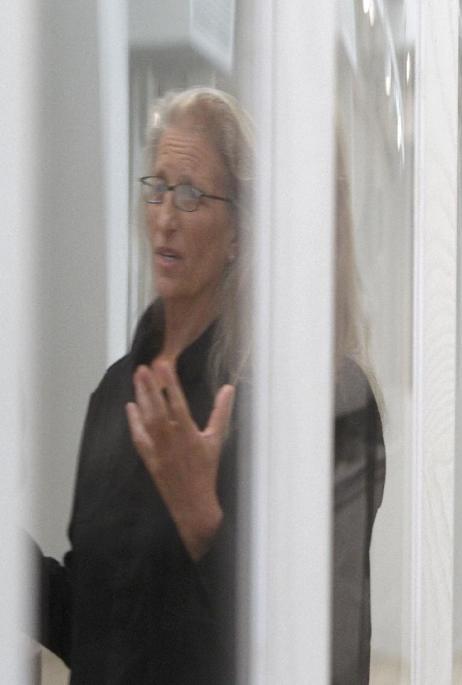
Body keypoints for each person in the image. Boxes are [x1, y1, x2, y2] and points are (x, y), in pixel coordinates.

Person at [34, 86, 252, 684]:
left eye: (191, 195)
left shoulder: (252, 404)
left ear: (238, 233)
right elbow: (90, 621)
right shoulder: (113, 395)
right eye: (157, 188)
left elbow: (281, 639)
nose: (164, 217)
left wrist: (204, 523)